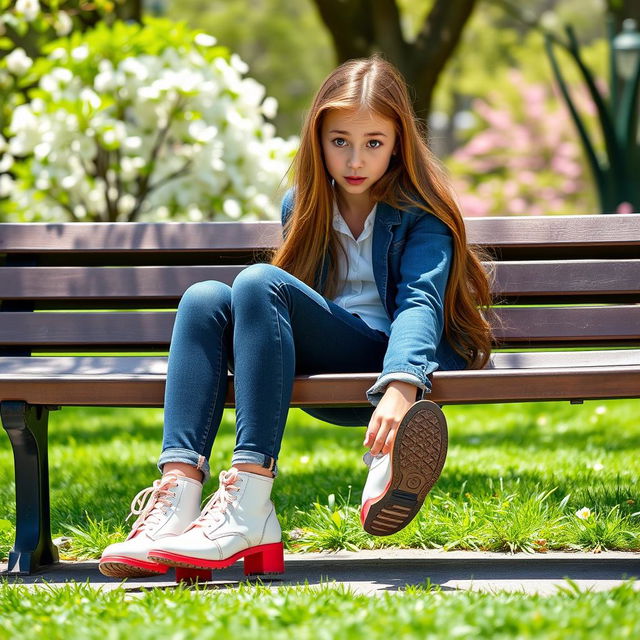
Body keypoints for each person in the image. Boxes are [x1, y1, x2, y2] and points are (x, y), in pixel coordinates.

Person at [99, 54, 492, 580]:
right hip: (325, 353)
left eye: (374, 142)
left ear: (399, 142)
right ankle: (176, 500)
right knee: (202, 298)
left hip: (390, 364)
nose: (356, 159)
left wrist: (402, 385)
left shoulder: (422, 213)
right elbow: (290, 306)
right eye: (340, 142)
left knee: (259, 281)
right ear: (318, 140)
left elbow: (419, 302)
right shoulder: (303, 204)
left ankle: (250, 496)